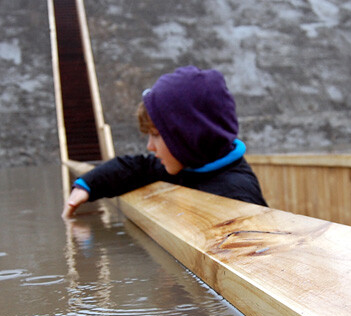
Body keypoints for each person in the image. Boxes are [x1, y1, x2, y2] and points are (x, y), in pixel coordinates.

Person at [62, 66, 267, 219]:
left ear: (189, 136)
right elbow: (135, 168)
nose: (150, 146)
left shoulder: (238, 197)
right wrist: (86, 186)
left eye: (157, 135)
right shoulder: (188, 165)